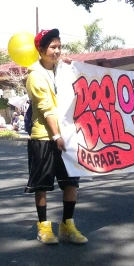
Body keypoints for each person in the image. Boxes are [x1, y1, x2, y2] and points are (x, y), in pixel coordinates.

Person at [25, 28, 87, 244]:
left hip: (68, 135)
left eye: (59, 46)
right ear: (41, 50)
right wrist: (56, 135)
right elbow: (46, 108)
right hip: (44, 137)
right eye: (52, 47)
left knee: (71, 182)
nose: (57, 51)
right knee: (42, 185)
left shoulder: (62, 70)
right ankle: (43, 227)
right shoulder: (35, 75)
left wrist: (73, 66)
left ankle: (67, 225)